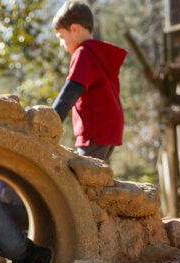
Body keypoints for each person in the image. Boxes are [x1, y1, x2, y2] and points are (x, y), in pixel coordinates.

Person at [51, 0, 127, 163]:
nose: (61, 44)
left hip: (95, 130)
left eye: (61, 37)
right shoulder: (100, 54)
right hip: (109, 128)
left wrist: (49, 119)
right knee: (96, 177)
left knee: (85, 179)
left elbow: (71, 91)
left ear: (74, 29)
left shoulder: (84, 53)